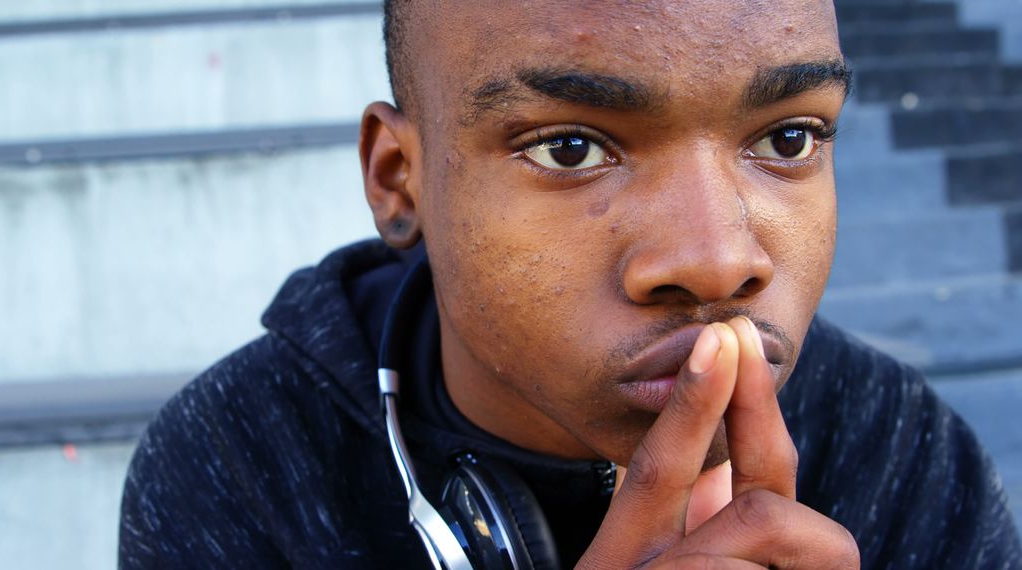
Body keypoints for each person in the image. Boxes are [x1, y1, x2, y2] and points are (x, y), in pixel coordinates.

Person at [119, 1, 1022, 568]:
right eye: (571, 148)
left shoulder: (898, 447)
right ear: (400, 179)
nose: (717, 261)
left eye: (787, 139)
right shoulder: (243, 462)